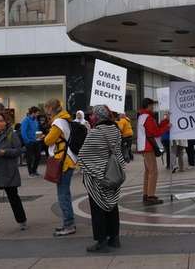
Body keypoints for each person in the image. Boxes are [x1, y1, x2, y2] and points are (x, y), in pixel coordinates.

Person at [78, 105, 126, 253]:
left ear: (98, 117)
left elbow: (83, 155)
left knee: (98, 208)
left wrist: (97, 171)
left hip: (98, 178)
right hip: (113, 174)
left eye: (92, 115)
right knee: (112, 206)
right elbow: (117, 152)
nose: (90, 117)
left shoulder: (95, 132)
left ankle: (101, 241)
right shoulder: (116, 130)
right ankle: (114, 238)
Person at [43, 98, 77, 236]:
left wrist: (46, 135)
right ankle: (69, 222)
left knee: (62, 194)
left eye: (47, 109)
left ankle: (68, 224)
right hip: (68, 159)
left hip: (63, 161)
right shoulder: (66, 119)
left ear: (50, 108)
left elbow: (48, 140)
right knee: (65, 193)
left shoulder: (58, 122)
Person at [136, 98, 170, 205]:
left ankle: (146, 194)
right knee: (153, 172)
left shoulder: (142, 116)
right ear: (148, 105)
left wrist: (165, 121)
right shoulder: (148, 117)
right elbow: (156, 132)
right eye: (152, 105)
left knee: (148, 172)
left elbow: (155, 128)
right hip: (148, 147)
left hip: (144, 146)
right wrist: (167, 127)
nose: (153, 107)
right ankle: (150, 196)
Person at [20, 107, 41, 178]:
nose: (38, 115)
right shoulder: (26, 120)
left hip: (36, 141)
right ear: (33, 113)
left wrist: (39, 137)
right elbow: (23, 132)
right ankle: (30, 172)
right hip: (29, 142)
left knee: (38, 156)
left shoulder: (36, 120)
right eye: (37, 113)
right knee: (30, 158)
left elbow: (37, 130)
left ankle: (34, 170)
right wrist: (27, 141)